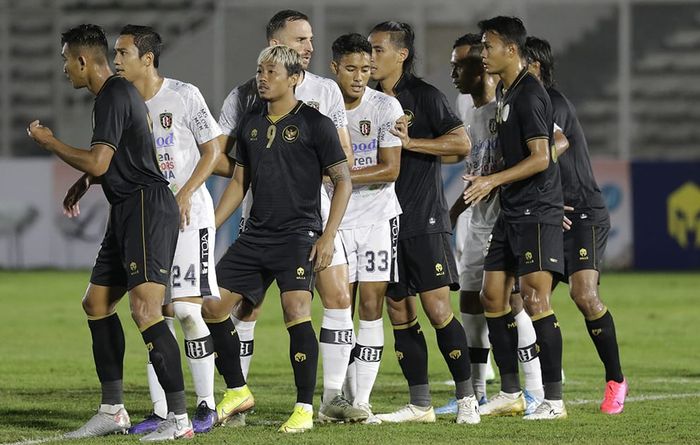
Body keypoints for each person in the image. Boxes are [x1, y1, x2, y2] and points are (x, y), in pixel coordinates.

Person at [28, 24, 191, 440]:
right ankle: (112, 410)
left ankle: (179, 420)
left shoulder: (115, 94)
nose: (65, 67)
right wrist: (85, 182)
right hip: (126, 207)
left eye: (66, 59)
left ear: (83, 60)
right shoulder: (113, 96)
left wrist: (50, 142)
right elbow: (118, 159)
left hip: (145, 206)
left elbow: (101, 161)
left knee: (146, 311)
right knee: (96, 302)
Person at [214, 9, 366, 425]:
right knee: (213, 307)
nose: (262, 78)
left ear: (293, 78)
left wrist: (327, 234)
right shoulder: (249, 121)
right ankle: (237, 390)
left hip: (299, 233)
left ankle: (304, 407)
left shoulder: (315, 122)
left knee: (297, 310)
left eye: (270, 72)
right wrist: (210, 226)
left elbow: (344, 180)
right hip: (255, 234)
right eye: (260, 71)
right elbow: (238, 182)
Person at [108, 25, 223, 434]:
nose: (115, 61)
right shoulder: (119, 101)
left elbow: (214, 149)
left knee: (188, 310)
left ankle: (207, 405)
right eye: (114, 53)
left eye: (122, 53)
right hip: (148, 218)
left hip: (189, 215)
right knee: (152, 311)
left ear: (147, 59)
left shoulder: (183, 94)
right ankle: (162, 410)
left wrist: (186, 194)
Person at [366, 21, 480, 425]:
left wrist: (413, 143)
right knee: (398, 310)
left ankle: (467, 399)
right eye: (368, 50)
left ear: (401, 55)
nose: (370, 57)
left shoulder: (425, 97)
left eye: (378, 50)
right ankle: (420, 404)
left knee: (437, 309)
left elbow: (461, 143)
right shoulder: (365, 100)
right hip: (381, 223)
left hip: (423, 218)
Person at [435, 33, 546, 416]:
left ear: (480, 65)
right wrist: (453, 211)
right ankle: (478, 392)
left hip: (508, 219)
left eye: (459, 64)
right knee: (470, 299)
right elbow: (478, 170)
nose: (454, 72)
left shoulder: (509, 104)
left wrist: (551, 198)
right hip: (479, 221)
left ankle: (533, 390)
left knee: (512, 303)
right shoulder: (470, 110)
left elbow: (556, 143)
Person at [465, 16, 566, 420]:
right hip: (513, 209)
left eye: (488, 46)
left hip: (536, 210)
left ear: (511, 49)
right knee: (492, 295)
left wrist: (492, 180)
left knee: (536, 299)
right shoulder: (508, 92)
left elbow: (542, 157)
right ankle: (510, 391)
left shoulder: (529, 95)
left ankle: (553, 401)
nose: (483, 53)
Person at [524, 36, 627, 414]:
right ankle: (539, 388)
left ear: (535, 65)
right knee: (527, 297)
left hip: (581, 210)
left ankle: (615, 379)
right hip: (550, 212)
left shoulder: (551, 101)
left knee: (583, 295)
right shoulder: (517, 103)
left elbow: (555, 145)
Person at [328, 33, 404, 423]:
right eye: (352, 69)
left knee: (371, 307)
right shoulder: (320, 105)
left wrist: (341, 175)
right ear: (334, 68)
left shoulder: (386, 106)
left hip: (376, 217)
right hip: (335, 220)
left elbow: (391, 169)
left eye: (366, 70)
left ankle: (361, 399)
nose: (360, 77)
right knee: (341, 304)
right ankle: (335, 394)